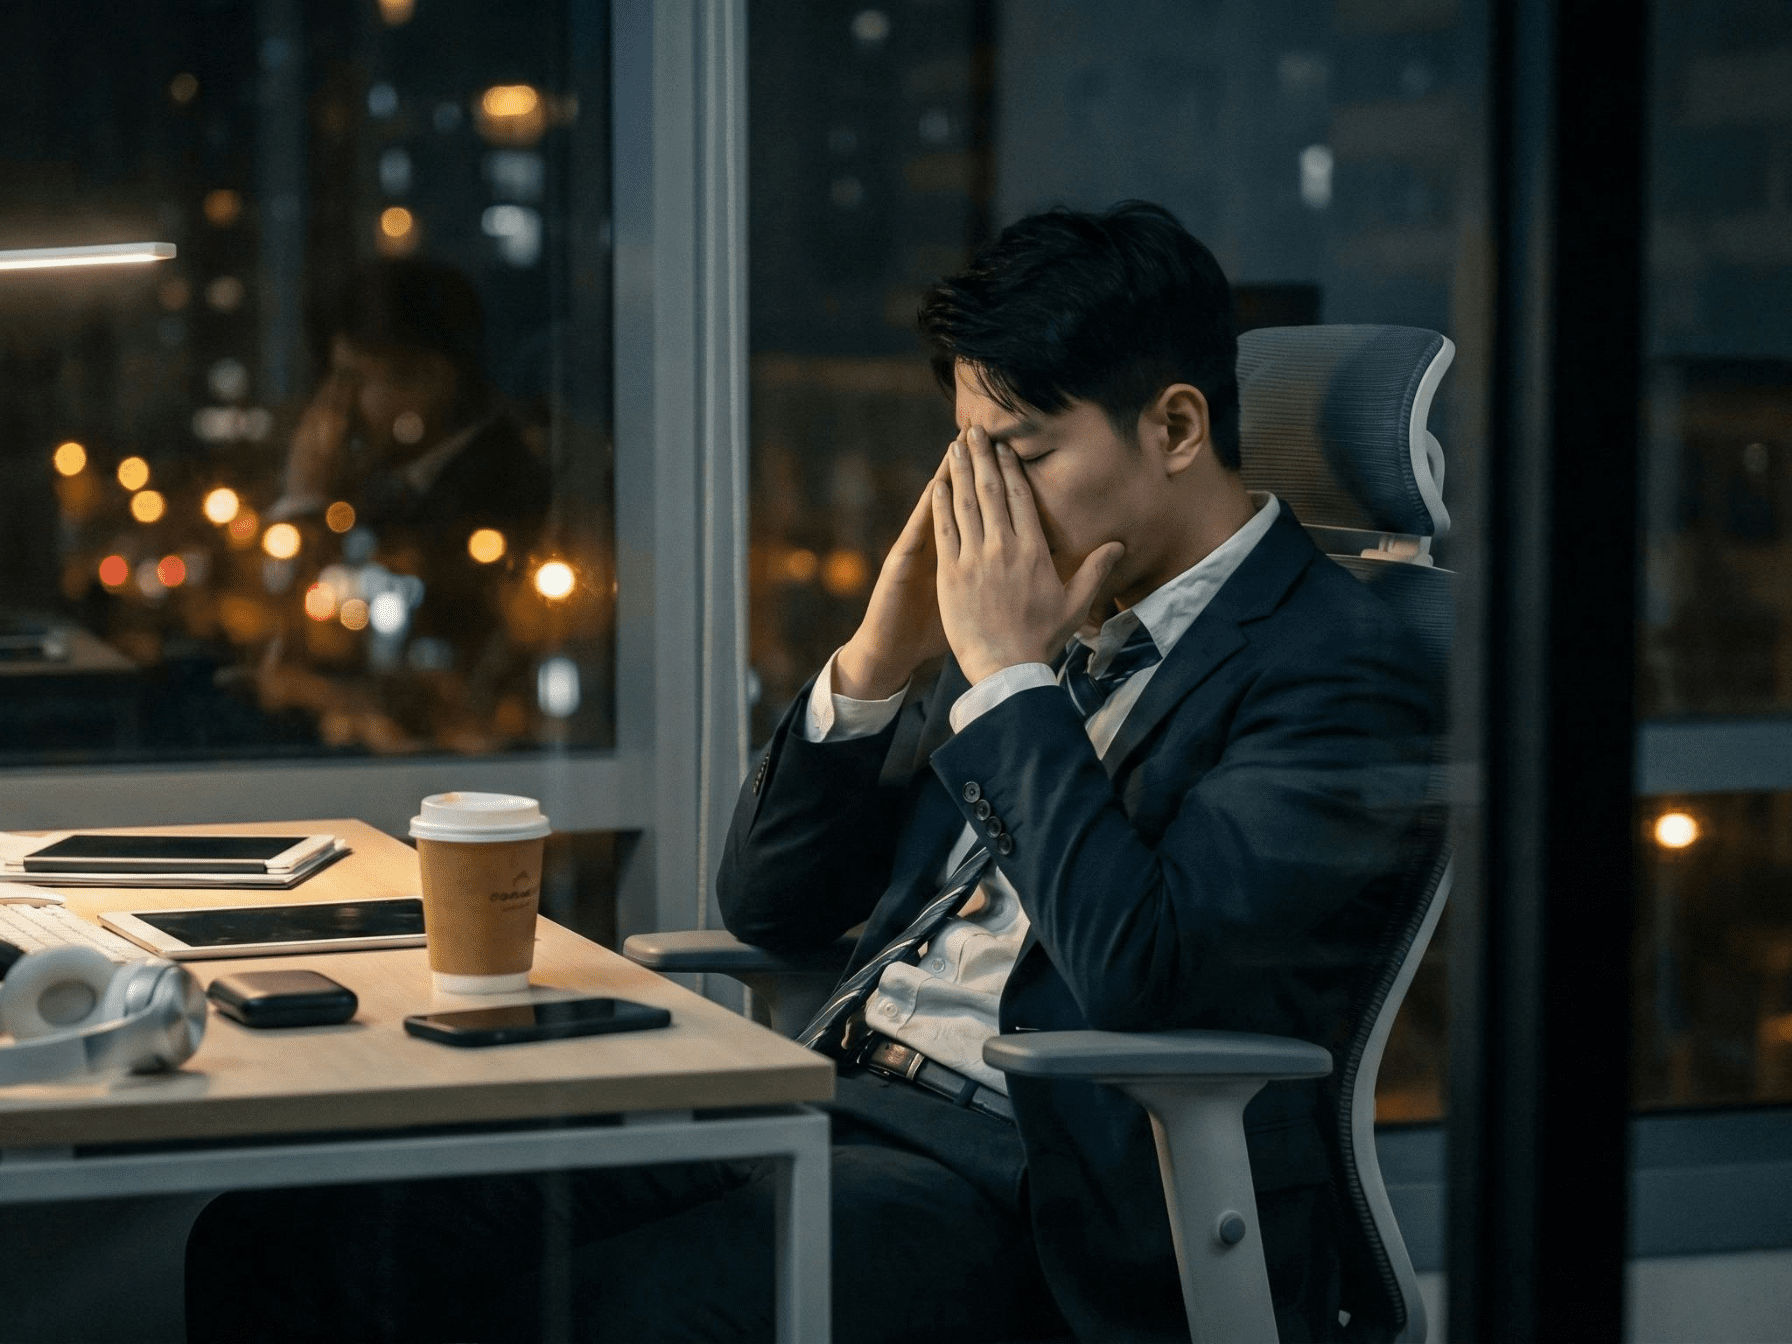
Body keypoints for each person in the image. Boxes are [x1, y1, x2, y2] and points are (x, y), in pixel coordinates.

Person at [185, 202, 1436, 1342]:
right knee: (292, 1244)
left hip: (1034, 1190)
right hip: (830, 1103)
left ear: (1173, 426)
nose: (983, 502)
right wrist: (883, 650)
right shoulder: (1062, 601)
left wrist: (1001, 677)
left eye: (1024, 450)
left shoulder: (1340, 662)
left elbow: (1146, 972)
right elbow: (774, 906)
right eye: (968, 454)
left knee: (606, 1317)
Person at [255, 259, 552, 748]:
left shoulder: (492, 499)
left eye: (355, 380)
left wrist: (304, 499)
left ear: (428, 382)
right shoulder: (394, 492)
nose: (337, 407)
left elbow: (423, 681)